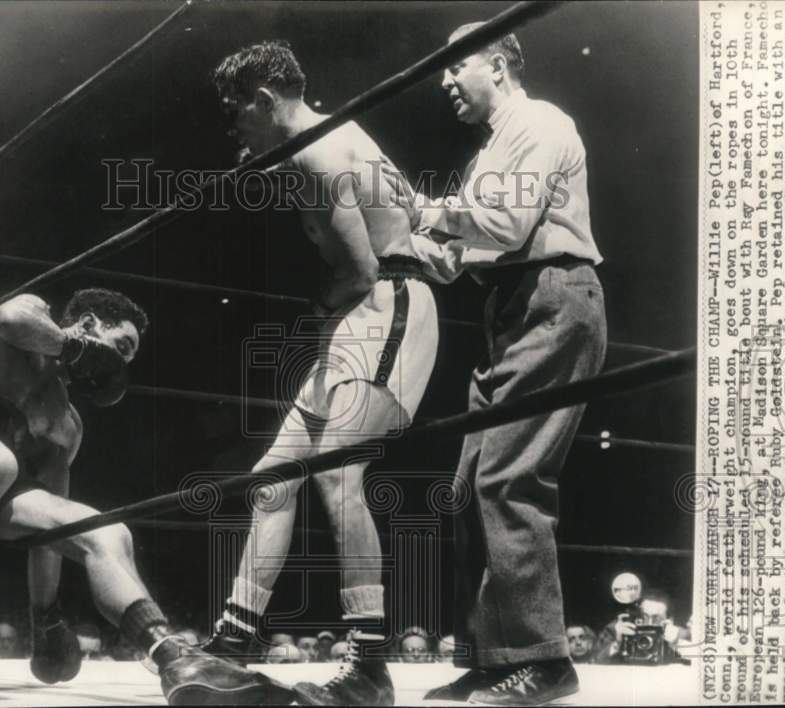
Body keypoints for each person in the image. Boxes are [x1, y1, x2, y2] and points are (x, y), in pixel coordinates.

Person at [0, 288, 291, 705]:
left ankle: (172, 656)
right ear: (90, 323)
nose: (119, 365)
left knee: (105, 532)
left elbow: (52, 531)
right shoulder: (30, 316)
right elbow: (10, 318)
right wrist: (73, 346)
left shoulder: (66, 423)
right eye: (121, 347)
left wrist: (46, 617)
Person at [202, 40, 439, 706]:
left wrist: (316, 307)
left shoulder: (316, 150)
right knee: (272, 478)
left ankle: (369, 661)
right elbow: (411, 210)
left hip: (387, 304)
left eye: (236, 111)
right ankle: (233, 638)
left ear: (264, 99)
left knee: (337, 473)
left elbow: (360, 269)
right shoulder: (335, 135)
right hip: (363, 315)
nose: (234, 127)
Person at [385, 27, 606, 706]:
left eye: (456, 66)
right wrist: (391, 238)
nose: (445, 81)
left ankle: (544, 660)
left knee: (510, 478)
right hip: (511, 310)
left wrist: (425, 210)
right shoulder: (490, 154)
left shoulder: (540, 122)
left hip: (553, 300)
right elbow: (465, 252)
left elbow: (504, 228)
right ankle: (491, 657)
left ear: (500, 62)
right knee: (473, 479)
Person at [592, 589, 685, 665]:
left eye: (657, 619)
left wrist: (677, 644)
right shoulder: (618, 629)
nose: (649, 623)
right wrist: (617, 643)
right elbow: (592, 663)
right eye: (644, 617)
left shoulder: (678, 635)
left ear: (670, 620)